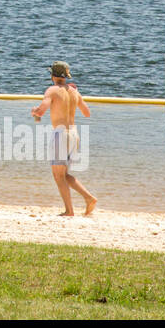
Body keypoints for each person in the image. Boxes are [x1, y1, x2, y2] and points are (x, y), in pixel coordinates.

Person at [31, 61, 97, 216]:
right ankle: (88, 198)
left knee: (58, 175)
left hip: (60, 134)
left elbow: (41, 112)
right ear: (66, 76)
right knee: (64, 175)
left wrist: (35, 111)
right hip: (74, 134)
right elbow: (87, 113)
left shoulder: (52, 90)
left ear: (53, 75)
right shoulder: (74, 92)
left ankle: (70, 210)